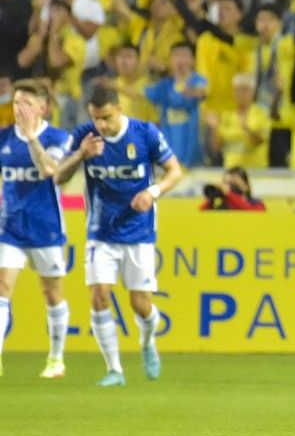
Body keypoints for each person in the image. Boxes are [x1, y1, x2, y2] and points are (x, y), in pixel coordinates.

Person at [44, 86, 183, 387]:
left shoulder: (145, 133)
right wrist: (82, 154)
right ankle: (114, 369)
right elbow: (57, 176)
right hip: (100, 232)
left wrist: (152, 192)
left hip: (139, 231)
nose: (101, 126)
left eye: (106, 118)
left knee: (140, 303)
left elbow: (174, 171)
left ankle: (147, 343)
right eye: (96, 119)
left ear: (119, 109)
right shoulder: (85, 135)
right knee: (99, 295)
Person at [0, 81, 73, 380]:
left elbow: (48, 171)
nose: (20, 109)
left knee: (51, 292)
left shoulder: (58, 137)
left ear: (42, 107)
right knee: (3, 287)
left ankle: (56, 359)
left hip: (45, 228)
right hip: (11, 228)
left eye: (27, 103)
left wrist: (31, 138)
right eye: (17, 102)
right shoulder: (3, 138)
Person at [201, 167, 267, 211]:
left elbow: (247, 210)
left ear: (247, 186)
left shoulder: (257, 204)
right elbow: (202, 216)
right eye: (226, 183)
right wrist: (212, 198)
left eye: (234, 184)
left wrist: (229, 194)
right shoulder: (221, 206)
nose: (229, 188)